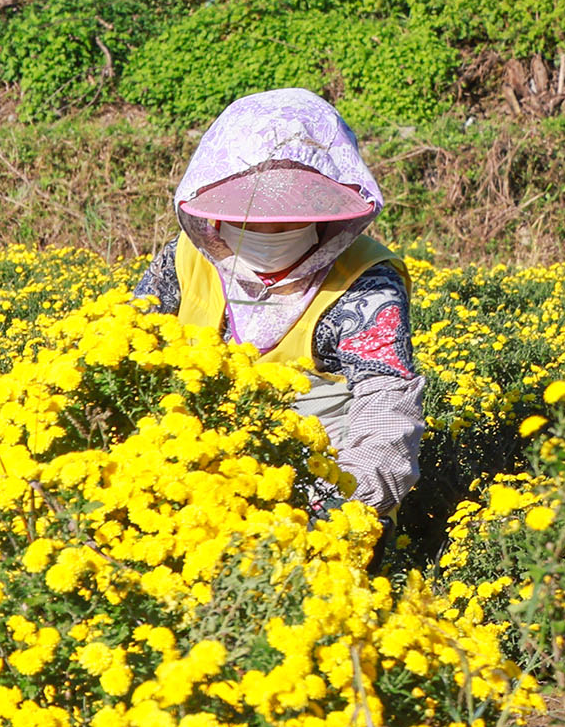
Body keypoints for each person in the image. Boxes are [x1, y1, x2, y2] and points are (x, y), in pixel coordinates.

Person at [128, 88, 426, 517]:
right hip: (191, 472)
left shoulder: (366, 278)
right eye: (249, 214)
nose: (267, 230)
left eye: (288, 214)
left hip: (319, 481)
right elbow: (130, 341)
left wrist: (340, 512)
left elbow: (385, 413)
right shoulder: (186, 257)